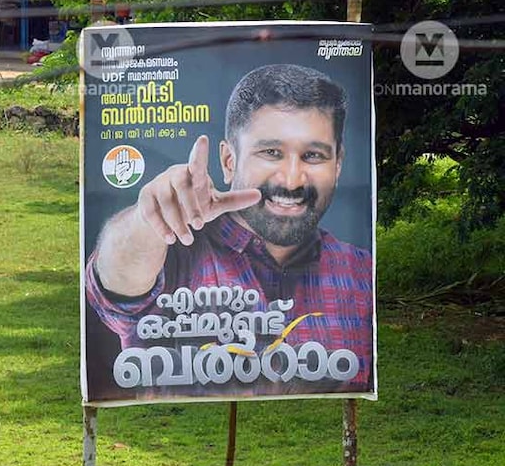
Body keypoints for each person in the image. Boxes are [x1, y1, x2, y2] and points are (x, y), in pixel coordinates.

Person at [86, 64, 372, 386]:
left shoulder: (361, 272)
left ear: (338, 165)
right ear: (228, 161)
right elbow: (115, 282)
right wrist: (148, 220)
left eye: (314, 156)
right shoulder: (176, 254)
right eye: (271, 152)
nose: (292, 180)